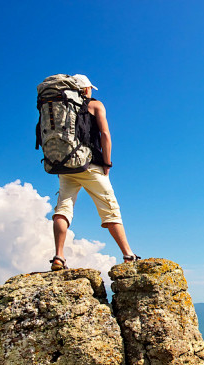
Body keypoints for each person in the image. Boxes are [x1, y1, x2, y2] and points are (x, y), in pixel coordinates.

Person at [49, 74, 139, 271]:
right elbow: (105, 134)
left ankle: (58, 256)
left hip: (65, 166)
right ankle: (128, 255)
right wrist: (107, 163)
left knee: (63, 209)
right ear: (86, 89)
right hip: (90, 165)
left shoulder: (61, 107)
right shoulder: (95, 105)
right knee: (110, 207)